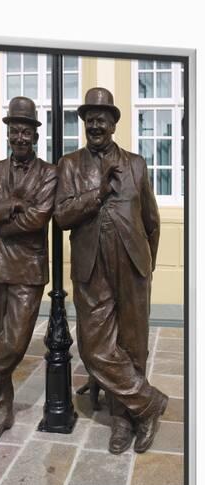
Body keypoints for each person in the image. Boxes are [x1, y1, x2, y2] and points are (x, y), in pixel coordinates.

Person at [55, 87, 168, 454]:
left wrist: (145, 263)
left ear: (114, 123)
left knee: (133, 344)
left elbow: (151, 219)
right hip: (92, 267)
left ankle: (124, 418)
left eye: (102, 117)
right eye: (89, 117)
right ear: (84, 123)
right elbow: (62, 217)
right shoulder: (70, 165)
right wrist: (99, 193)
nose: (95, 123)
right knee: (93, 346)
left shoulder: (136, 163)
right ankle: (149, 402)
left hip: (133, 265)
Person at [0, 96, 57, 444]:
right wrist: (13, 205)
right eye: (14, 131)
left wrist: (0, 218)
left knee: (15, 342)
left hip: (28, 269)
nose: (19, 137)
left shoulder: (50, 173)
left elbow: (38, 220)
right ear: (9, 134)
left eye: (26, 132)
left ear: (36, 135)